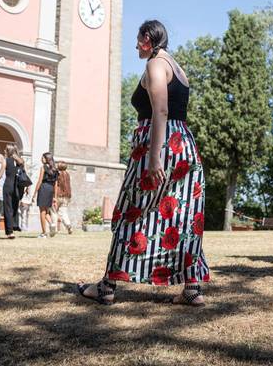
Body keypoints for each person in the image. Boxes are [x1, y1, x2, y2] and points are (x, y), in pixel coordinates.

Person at [77, 20, 209, 306]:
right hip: (184, 144)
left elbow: (160, 109)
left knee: (131, 210)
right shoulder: (178, 67)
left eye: (138, 39)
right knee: (183, 215)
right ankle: (192, 289)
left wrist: (154, 155)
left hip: (158, 145)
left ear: (148, 38)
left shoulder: (155, 65)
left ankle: (106, 287)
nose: (135, 45)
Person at [33, 153, 58, 238]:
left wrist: (34, 193)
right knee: (46, 211)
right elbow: (55, 184)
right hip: (50, 189)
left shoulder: (43, 167)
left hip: (43, 188)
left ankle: (44, 233)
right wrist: (55, 196)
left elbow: (39, 181)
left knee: (42, 212)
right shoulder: (55, 169)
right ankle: (52, 224)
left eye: (42, 157)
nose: (41, 159)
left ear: (46, 159)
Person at [1, 144, 23, 238]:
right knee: (14, 208)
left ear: (8, 151)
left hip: (8, 186)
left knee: (7, 209)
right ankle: (14, 227)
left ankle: (9, 232)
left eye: (5, 150)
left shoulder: (6, 161)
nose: (4, 151)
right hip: (17, 187)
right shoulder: (20, 162)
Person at [54, 162, 74, 235]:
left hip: (58, 195)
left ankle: (54, 228)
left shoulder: (58, 174)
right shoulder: (67, 174)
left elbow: (56, 185)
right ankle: (68, 225)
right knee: (64, 212)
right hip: (67, 195)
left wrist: (54, 196)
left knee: (54, 212)